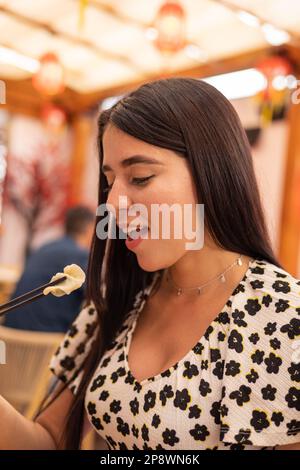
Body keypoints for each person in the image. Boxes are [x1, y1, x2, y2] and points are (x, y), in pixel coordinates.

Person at [0, 78, 299, 450]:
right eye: (110, 182)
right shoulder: (118, 297)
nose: (114, 205)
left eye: (140, 177)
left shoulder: (281, 317)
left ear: (212, 173)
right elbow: (47, 441)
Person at [4, 206, 94, 333]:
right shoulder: (79, 256)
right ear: (90, 229)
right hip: (44, 340)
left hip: (10, 333)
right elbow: (98, 296)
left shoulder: (46, 247)